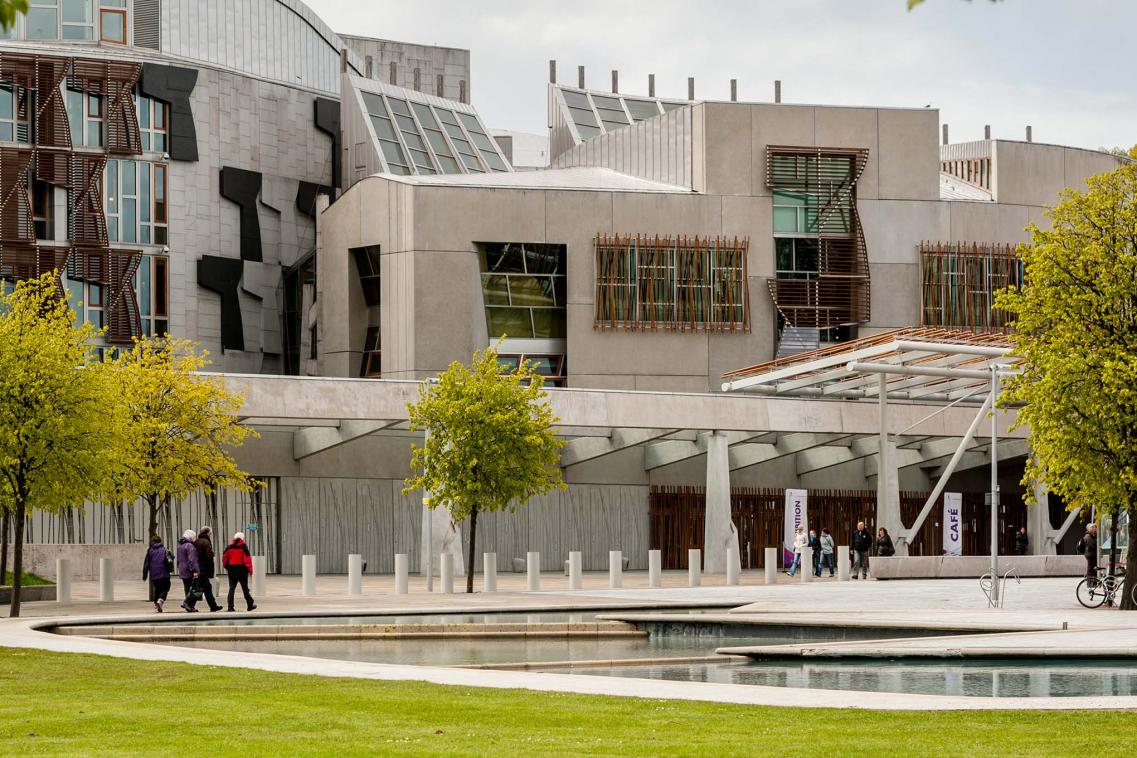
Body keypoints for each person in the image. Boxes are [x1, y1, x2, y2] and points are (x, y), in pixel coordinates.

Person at [222, 531, 257, 612]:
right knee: (245, 588)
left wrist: (227, 567)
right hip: (242, 570)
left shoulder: (229, 547)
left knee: (231, 589)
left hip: (232, 570)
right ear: (242, 538)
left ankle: (230, 607)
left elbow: (224, 558)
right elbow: (247, 560)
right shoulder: (243, 547)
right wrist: (250, 571)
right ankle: (250, 605)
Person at [194, 526, 224, 612]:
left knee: (206, 588)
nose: (211, 535)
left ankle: (213, 606)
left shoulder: (196, 541)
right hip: (203, 569)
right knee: (202, 588)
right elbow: (208, 557)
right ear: (207, 533)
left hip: (199, 568)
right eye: (210, 533)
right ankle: (188, 603)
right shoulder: (206, 542)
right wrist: (211, 565)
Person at [142, 535, 173, 612]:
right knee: (166, 587)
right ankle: (161, 600)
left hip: (154, 575)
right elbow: (170, 560)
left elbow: (146, 563)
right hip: (164, 573)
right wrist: (170, 570)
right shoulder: (164, 550)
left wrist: (145, 574)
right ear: (160, 541)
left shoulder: (150, 551)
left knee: (157, 589)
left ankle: (156, 604)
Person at [176, 529, 200, 612]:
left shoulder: (180, 546)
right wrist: (195, 571)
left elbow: (178, 559)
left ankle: (189, 606)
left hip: (182, 569)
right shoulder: (190, 546)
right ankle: (187, 603)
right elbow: (191, 560)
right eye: (194, 537)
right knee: (195, 588)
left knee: (187, 588)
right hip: (189, 570)